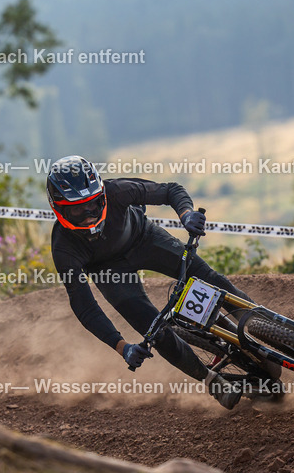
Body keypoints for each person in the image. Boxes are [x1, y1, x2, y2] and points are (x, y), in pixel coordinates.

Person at [47, 155, 255, 409]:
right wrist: (122, 347)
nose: (89, 214)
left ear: (102, 195)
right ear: (59, 209)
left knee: (211, 279)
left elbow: (170, 190)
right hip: (108, 271)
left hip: (143, 239)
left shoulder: (117, 191)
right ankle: (212, 381)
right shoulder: (64, 249)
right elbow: (85, 307)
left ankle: (260, 323)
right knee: (154, 331)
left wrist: (186, 215)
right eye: (77, 209)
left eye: (93, 204)